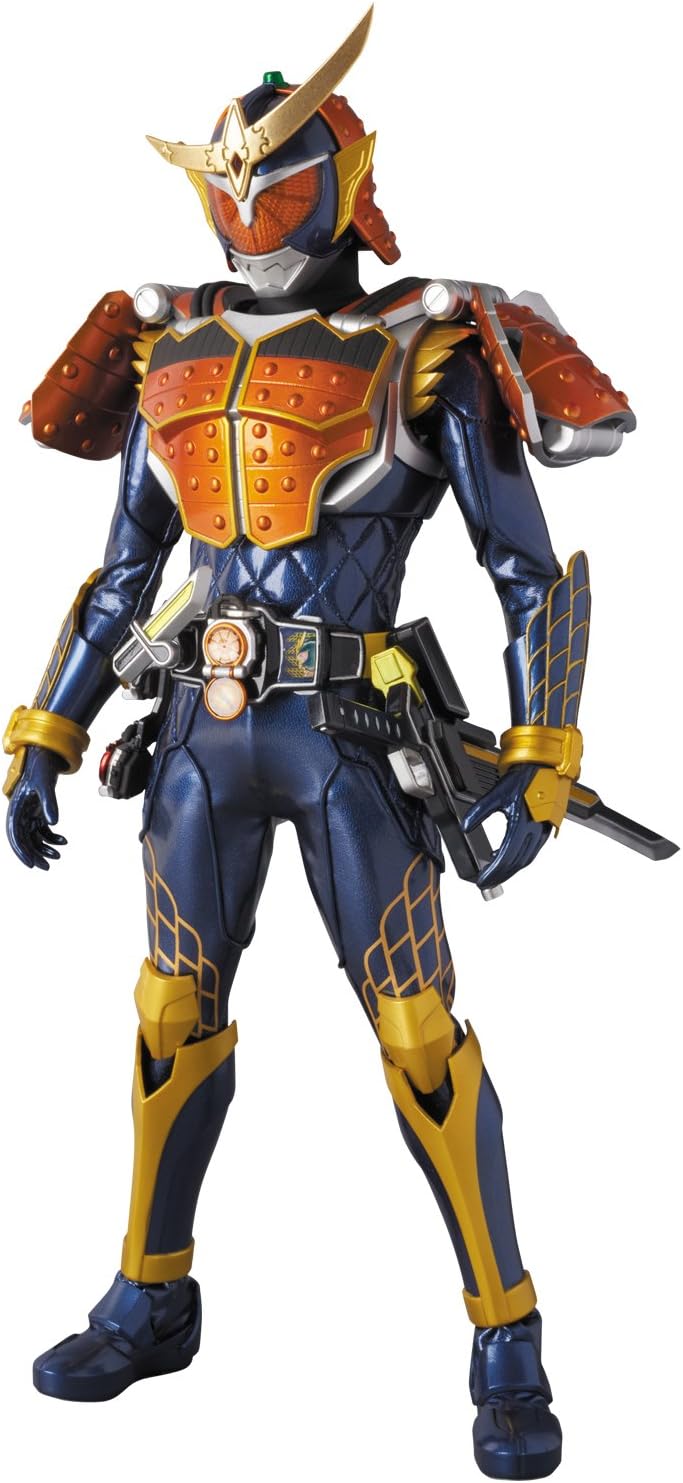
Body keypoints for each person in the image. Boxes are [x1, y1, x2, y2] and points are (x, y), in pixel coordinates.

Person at [2, 12, 636, 1479]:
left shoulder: (428, 347)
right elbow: (123, 575)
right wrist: (47, 727)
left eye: (275, 178)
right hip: (199, 741)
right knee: (170, 1016)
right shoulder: (166, 347)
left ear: (343, 181)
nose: (248, 206)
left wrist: (543, 749)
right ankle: (151, 1296)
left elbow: (527, 569)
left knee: (418, 1037)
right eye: (227, 181)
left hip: (354, 739)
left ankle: (508, 1334)